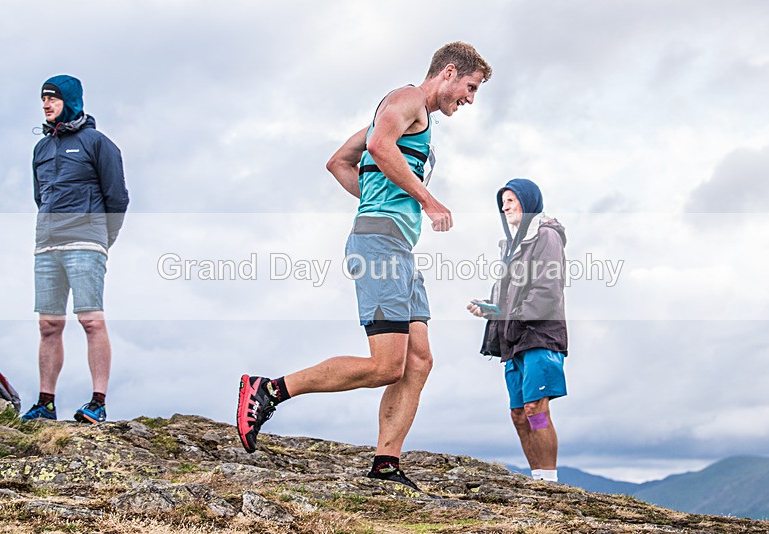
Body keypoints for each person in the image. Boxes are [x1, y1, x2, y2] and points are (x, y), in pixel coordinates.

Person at [237, 42, 492, 491]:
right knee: (386, 366)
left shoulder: (411, 117)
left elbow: (339, 161)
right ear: (449, 72)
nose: (470, 98)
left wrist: (378, 197)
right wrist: (427, 200)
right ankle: (270, 390)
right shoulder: (407, 99)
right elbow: (377, 144)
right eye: (470, 87)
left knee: (418, 360)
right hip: (379, 245)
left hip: (399, 247)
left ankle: (386, 464)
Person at [22, 75, 129, 424]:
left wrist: (102, 239)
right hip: (46, 244)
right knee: (48, 325)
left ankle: (98, 402)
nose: (46, 105)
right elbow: (40, 197)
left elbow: (117, 198)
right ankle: (45, 403)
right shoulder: (41, 148)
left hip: (86, 241)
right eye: (43, 99)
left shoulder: (97, 143)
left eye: (52, 99)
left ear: (69, 101)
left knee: (91, 321)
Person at [467, 178, 568, 483]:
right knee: (519, 414)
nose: (505, 207)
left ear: (528, 202)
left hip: (540, 335)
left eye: (511, 200)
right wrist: (490, 309)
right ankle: (537, 479)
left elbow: (547, 289)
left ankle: (550, 482)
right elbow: (508, 297)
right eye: (502, 203)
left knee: (535, 408)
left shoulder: (546, 235)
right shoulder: (511, 245)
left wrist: (511, 315)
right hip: (513, 338)